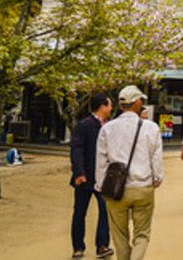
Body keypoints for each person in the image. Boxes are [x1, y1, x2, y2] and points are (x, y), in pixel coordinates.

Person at [95, 86, 163, 260]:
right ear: (137, 102)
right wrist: (157, 178)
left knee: (119, 234)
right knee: (142, 234)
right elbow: (156, 157)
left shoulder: (107, 128)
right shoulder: (151, 128)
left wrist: (101, 184)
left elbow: (102, 160)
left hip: (115, 189)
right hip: (143, 186)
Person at [70, 93, 114, 259]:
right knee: (80, 212)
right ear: (102, 106)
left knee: (105, 210)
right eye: (109, 105)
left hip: (103, 177)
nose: (111, 108)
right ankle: (78, 247)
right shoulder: (84, 125)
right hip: (85, 176)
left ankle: (102, 245)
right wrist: (79, 172)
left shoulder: (109, 126)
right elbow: (76, 149)